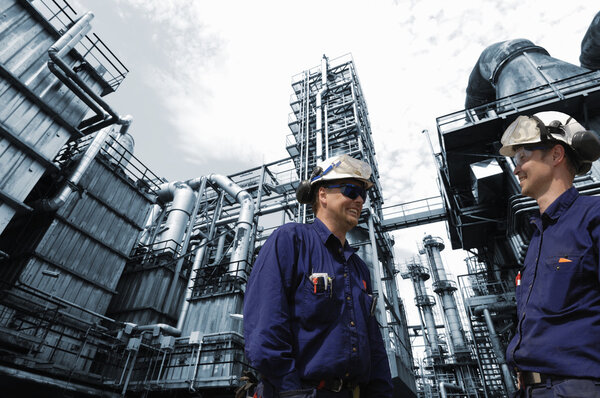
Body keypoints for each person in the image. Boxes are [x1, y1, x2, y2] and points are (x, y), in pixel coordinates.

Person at [243, 154, 393, 398]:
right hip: (300, 392)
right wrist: (292, 392)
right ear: (322, 195)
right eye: (351, 191)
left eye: (363, 195)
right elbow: (265, 332)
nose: (359, 201)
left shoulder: (358, 268)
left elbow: (374, 346)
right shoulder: (291, 241)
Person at [499, 111, 600, 397]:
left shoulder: (592, 217)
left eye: (522, 157)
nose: (516, 169)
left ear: (556, 154)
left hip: (578, 387)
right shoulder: (539, 238)